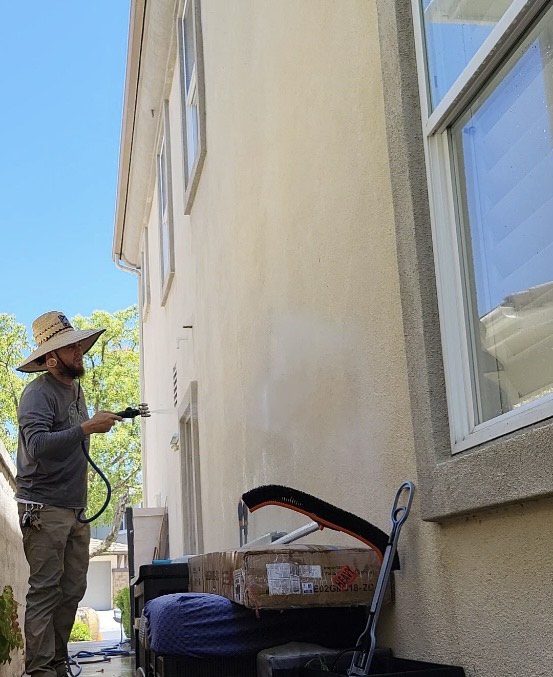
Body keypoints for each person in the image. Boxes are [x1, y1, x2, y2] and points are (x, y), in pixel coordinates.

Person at [15, 311, 123, 677]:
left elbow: (74, 436)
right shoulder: (37, 394)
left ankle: (58, 661)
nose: (79, 351)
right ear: (50, 359)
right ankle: (41, 669)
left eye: (77, 344)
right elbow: (39, 445)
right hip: (43, 508)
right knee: (45, 590)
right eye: (69, 347)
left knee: (73, 588)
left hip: (74, 508)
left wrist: (93, 422)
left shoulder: (76, 389)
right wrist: (88, 426)